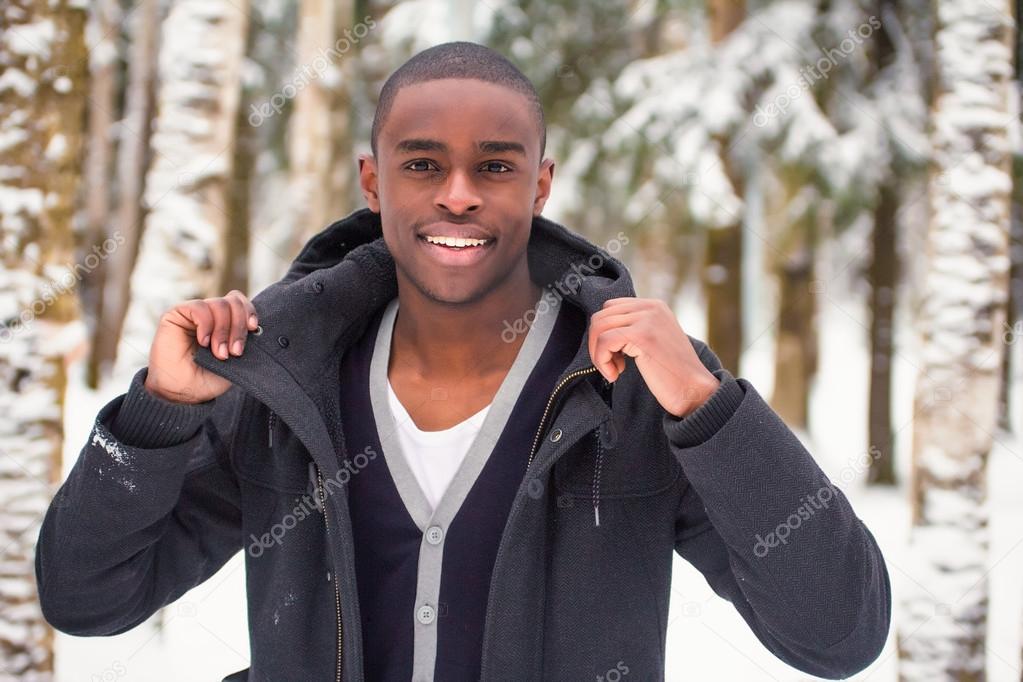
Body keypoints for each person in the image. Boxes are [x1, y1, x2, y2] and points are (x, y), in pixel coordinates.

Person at [36, 41, 890, 681]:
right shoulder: (283, 384)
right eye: (422, 164)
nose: (457, 194)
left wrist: (710, 410)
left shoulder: (633, 392)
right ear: (373, 183)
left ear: (540, 183)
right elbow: (89, 598)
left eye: (494, 165)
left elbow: (837, 632)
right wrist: (159, 413)